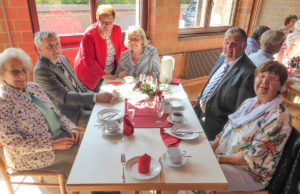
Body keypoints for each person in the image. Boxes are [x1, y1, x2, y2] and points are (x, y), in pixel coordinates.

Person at [0, 48, 82, 183]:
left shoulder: (34, 87)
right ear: (2, 74)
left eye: (24, 70)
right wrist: (52, 144)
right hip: (27, 156)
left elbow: (57, 114)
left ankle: (97, 187)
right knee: (78, 155)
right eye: (15, 72)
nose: (22, 75)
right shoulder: (3, 101)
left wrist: (72, 128)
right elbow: (13, 144)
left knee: (87, 145)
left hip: (57, 138)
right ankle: (80, 187)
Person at [210, 61, 291, 192]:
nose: (264, 82)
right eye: (261, 76)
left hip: (249, 172)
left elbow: (253, 156)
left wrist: (218, 159)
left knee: (204, 173)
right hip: (224, 154)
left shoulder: (278, 117)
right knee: (195, 151)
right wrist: (212, 146)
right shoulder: (249, 103)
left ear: (280, 85)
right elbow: (228, 128)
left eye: (271, 79)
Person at [34, 30, 114, 128]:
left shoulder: (62, 59)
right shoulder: (42, 71)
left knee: (113, 109)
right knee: (109, 120)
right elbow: (65, 97)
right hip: (70, 115)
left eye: (57, 44)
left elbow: (78, 85)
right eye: (50, 46)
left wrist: (95, 97)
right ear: (39, 49)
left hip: (82, 105)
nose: (56, 49)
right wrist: (95, 97)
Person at [191, 27, 256, 141]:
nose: (228, 48)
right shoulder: (222, 58)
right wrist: (199, 99)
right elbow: (211, 85)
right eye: (226, 43)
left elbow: (240, 112)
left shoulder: (249, 73)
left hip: (215, 127)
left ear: (244, 46)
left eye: (234, 44)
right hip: (199, 112)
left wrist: (221, 137)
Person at [74, 5, 127, 91]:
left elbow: (122, 48)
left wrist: (123, 67)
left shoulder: (116, 29)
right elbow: (89, 60)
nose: (107, 25)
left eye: (110, 21)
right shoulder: (89, 35)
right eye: (103, 21)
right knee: (98, 97)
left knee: (116, 91)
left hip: (110, 68)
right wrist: (103, 75)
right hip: (90, 72)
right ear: (98, 20)